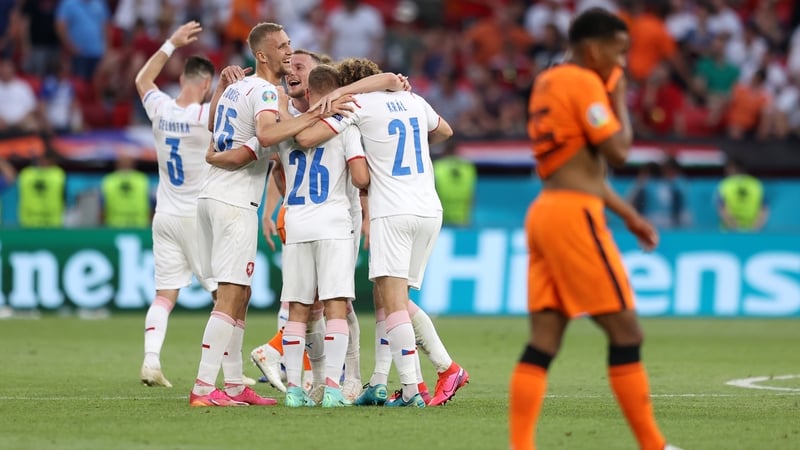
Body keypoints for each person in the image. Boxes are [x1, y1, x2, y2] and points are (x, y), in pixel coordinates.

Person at [509, 9, 680, 450]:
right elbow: (618, 151)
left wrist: (628, 214)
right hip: (574, 217)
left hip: (546, 210)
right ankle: (653, 445)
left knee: (544, 341)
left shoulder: (549, 80)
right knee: (627, 332)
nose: (621, 63)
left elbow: (582, 168)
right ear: (593, 49)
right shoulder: (585, 82)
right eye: (618, 52)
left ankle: (521, 445)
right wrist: (619, 94)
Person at [191, 22, 349, 408]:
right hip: (233, 202)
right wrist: (316, 116)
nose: (288, 53)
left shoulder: (236, 87)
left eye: (290, 45)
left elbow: (215, 125)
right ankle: (202, 387)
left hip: (215, 194)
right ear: (262, 55)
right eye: (281, 47)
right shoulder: (263, 90)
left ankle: (232, 385)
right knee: (230, 294)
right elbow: (265, 135)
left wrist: (220, 148)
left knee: (240, 294)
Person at [294, 57, 462, 408]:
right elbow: (445, 131)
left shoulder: (355, 105)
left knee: (393, 303)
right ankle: (401, 382)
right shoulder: (414, 100)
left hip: (393, 210)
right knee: (397, 299)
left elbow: (309, 138)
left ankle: (423, 384)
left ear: (350, 83)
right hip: (428, 208)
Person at [271, 64, 370, 407]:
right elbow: (360, 177)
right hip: (332, 223)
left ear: (310, 94)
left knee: (298, 308)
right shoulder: (346, 127)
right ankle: (331, 388)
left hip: (296, 221)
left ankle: (296, 390)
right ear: (339, 92)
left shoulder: (286, 131)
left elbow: (277, 173)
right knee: (335, 307)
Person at [133, 21, 219, 388]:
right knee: (225, 295)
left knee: (165, 295)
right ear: (204, 84)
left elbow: (142, 81)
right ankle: (227, 372)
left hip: (164, 214)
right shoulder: (203, 117)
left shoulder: (162, 110)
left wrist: (170, 42)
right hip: (196, 217)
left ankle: (151, 361)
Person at [100, 152, 151, 228]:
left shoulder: (108, 180)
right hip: (138, 226)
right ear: (133, 164)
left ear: (117, 164)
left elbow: (102, 208)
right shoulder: (143, 180)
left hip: (115, 226)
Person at [433, 139, 477, 227]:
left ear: (444, 150)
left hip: (441, 218)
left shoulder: (437, 167)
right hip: (463, 218)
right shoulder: (468, 168)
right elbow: (472, 195)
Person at [717, 158, 768, 232]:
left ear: (732, 169)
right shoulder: (756, 184)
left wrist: (734, 228)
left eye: (727, 169)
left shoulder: (724, 185)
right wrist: (755, 228)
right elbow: (764, 209)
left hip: (729, 232)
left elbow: (722, 208)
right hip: (752, 232)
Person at [17, 151, 65, 228]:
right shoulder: (26, 174)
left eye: (47, 160)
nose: (44, 162)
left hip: (52, 220)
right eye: (42, 159)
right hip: (29, 220)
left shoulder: (58, 174)